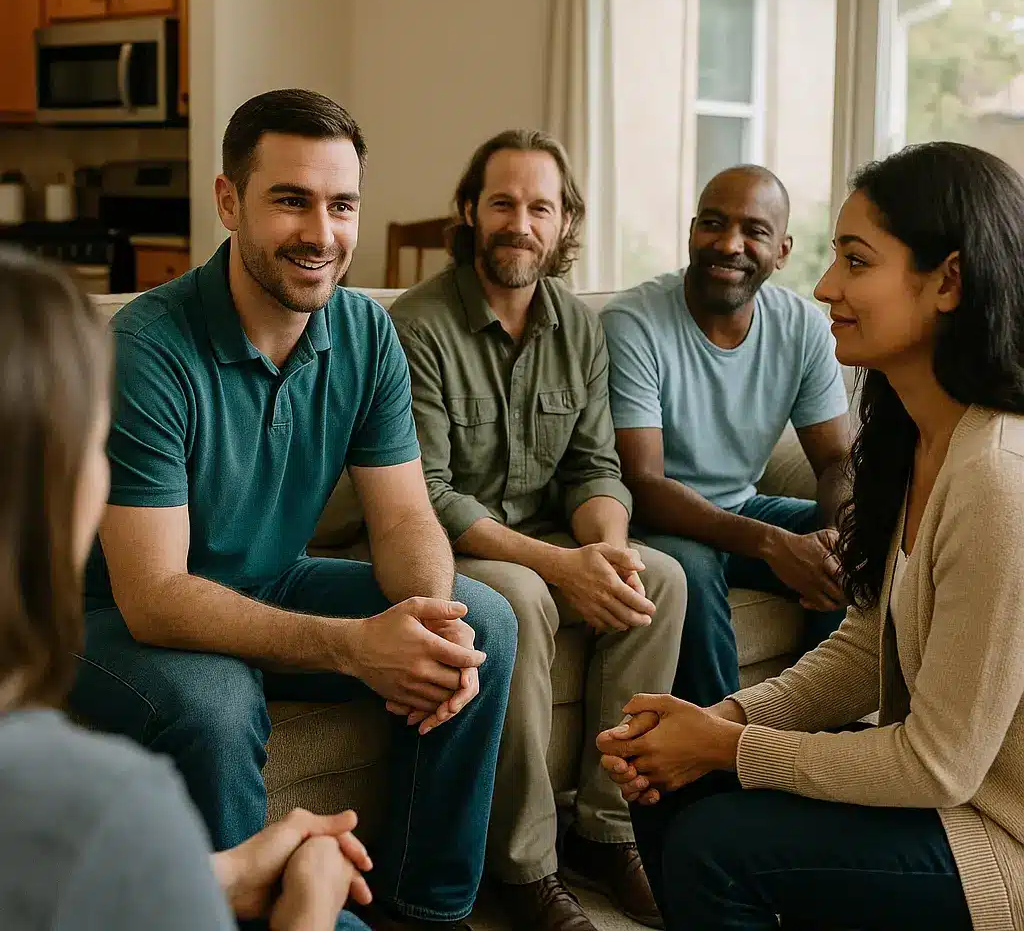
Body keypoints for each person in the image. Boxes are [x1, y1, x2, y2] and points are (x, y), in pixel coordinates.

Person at [70, 89, 518, 931]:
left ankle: (428, 909)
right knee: (216, 700)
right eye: (291, 200)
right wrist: (353, 648)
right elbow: (154, 593)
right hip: (114, 621)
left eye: (341, 204)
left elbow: (404, 519)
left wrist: (429, 617)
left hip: (271, 580)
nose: (323, 233)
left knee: (482, 624)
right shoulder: (146, 349)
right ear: (229, 201)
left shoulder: (364, 330)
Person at [597, 141, 1024, 930]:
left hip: (999, 831)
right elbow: (866, 649)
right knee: (668, 790)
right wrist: (717, 720)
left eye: (856, 262)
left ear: (949, 283)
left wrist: (725, 748)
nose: (826, 287)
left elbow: (937, 764)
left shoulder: (997, 477)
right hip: (948, 795)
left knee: (716, 847)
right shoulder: (915, 437)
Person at [0, 251, 372, 931]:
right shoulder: (108, 801)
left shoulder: (363, 332)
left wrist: (227, 874)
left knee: (486, 612)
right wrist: (311, 906)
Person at [389, 130, 688, 931]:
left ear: (562, 225)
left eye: (540, 207)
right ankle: (524, 865)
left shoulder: (578, 326)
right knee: (520, 598)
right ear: (469, 212)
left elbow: (594, 467)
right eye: (503, 203)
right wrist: (561, 567)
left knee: (659, 575)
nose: (520, 222)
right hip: (444, 542)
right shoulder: (416, 326)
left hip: (542, 529)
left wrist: (609, 547)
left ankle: (607, 829)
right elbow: (430, 494)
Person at [600, 165, 851, 708]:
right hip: (654, 523)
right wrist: (773, 544)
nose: (729, 243)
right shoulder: (633, 322)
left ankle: (815, 733)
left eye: (754, 231)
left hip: (741, 508)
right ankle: (715, 761)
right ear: (692, 231)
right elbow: (643, 483)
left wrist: (826, 541)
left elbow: (837, 462)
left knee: (859, 541)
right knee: (688, 567)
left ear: (781, 251)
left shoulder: (803, 328)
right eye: (713, 223)